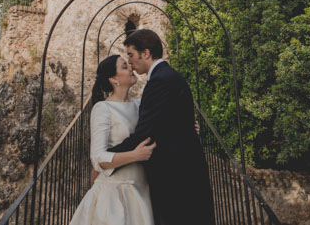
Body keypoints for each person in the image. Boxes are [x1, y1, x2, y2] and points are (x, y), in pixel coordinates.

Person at [108, 29, 215, 225]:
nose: (129, 62)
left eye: (131, 55)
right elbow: (170, 122)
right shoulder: (168, 76)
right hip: (185, 174)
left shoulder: (160, 81)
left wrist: (106, 158)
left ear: (145, 53)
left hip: (177, 180)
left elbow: (144, 134)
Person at [69, 54, 156, 225]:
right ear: (114, 79)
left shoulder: (140, 105)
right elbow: (98, 158)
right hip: (114, 194)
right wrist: (135, 155)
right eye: (124, 66)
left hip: (142, 189)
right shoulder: (103, 108)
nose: (130, 67)